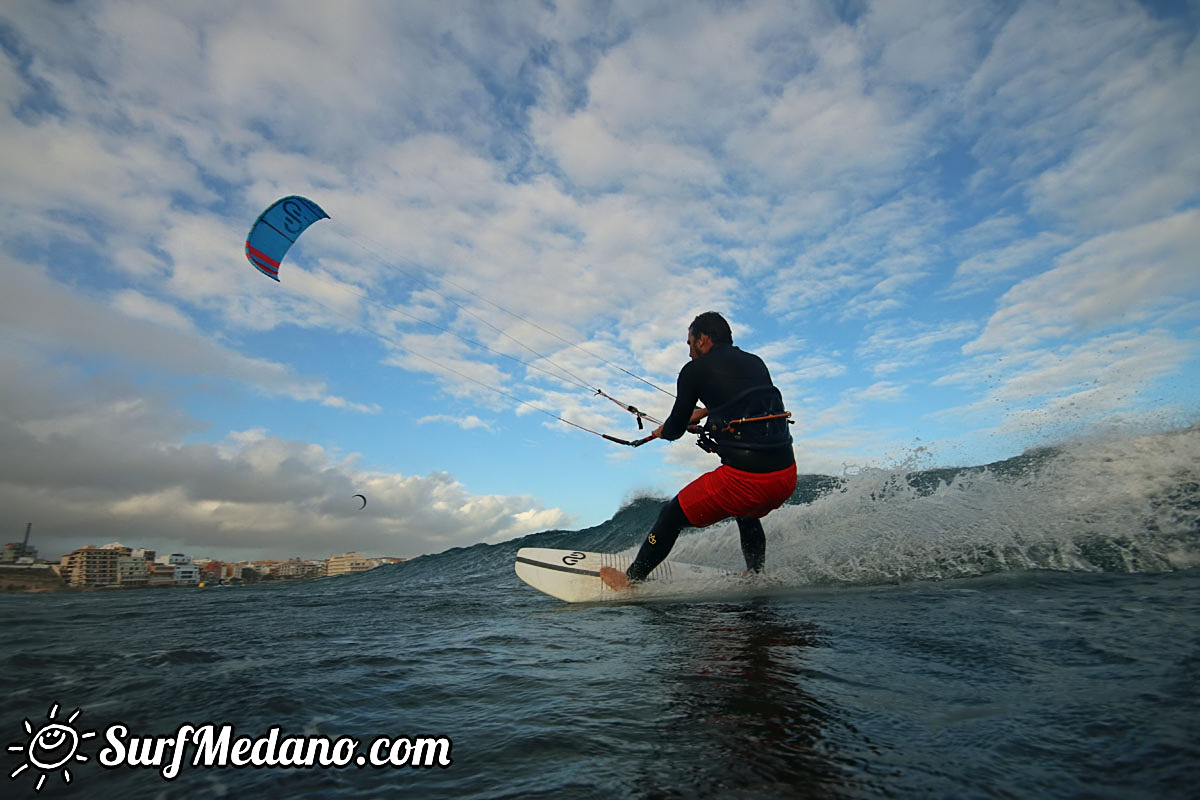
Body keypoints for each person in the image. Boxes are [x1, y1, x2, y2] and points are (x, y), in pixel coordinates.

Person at [599, 311, 797, 591]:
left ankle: (631, 580)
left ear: (703, 340)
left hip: (747, 481)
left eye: (690, 344)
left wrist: (663, 431)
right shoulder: (755, 362)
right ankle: (756, 575)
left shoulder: (694, 370)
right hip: (785, 475)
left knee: (670, 516)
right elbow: (749, 404)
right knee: (746, 513)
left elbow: (674, 429)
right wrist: (704, 412)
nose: (690, 353)